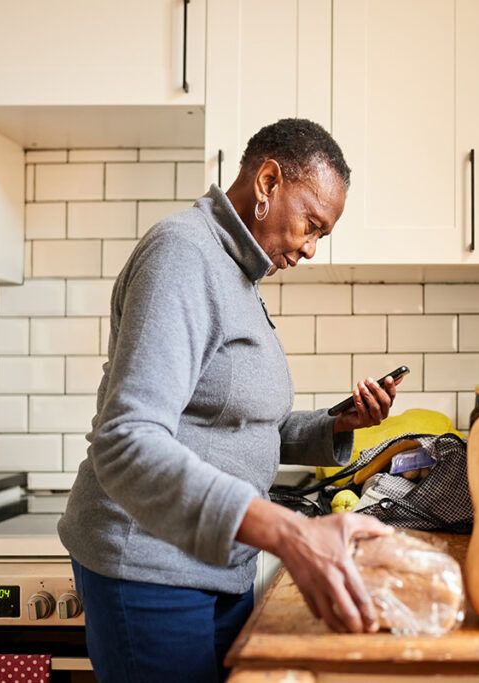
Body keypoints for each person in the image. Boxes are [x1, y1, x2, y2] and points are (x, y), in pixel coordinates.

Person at [58, 119, 401, 683]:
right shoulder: (183, 255)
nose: (312, 249)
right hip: (149, 566)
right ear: (268, 181)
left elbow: (231, 422)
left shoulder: (236, 273)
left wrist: (337, 425)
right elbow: (126, 443)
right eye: (311, 225)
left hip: (217, 565)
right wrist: (291, 533)